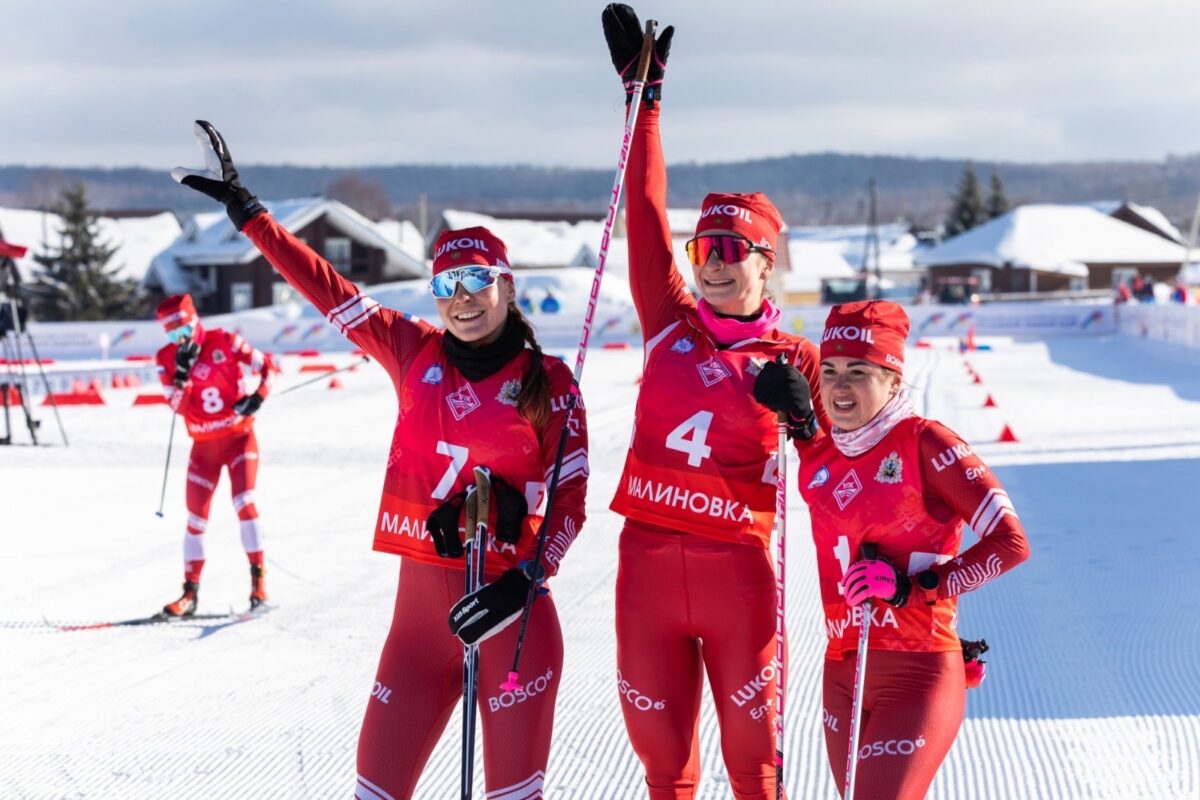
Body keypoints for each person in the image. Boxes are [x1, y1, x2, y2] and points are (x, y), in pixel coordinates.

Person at [173, 121, 589, 800]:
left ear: (507, 286)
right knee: (375, 789)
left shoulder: (550, 381)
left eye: (478, 279)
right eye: (446, 284)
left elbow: (569, 504)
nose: (462, 297)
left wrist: (528, 575)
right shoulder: (412, 350)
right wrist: (252, 217)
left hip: (513, 631)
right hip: (418, 638)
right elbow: (328, 287)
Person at [601, 7, 830, 797]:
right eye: (706, 249)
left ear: (769, 266)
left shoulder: (797, 358)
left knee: (755, 772)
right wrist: (646, 101)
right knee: (666, 772)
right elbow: (641, 212)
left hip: (740, 581)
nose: (716, 265)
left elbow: (842, 476)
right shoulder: (667, 319)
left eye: (735, 251)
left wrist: (805, 420)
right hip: (648, 573)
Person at [753, 300, 1031, 799]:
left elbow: (1011, 543)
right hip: (841, 671)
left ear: (894, 380)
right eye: (832, 371)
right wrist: (800, 419)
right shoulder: (824, 456)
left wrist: (917, 586)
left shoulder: (928, 444)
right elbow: (823, 456)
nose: (839, 387)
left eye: (859, 372)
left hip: (918, 670)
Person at [154, 293, 274, 616]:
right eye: (171, 335)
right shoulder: (165, 358)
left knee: (244, 502)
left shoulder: (224, 340)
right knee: (195, 519)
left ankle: (258, 585)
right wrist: (182, 377)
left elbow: (268, 368)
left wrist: (257, 397)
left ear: (195, 322)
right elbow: (177, 408)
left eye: (183, 331)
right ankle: (189, 593)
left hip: (239, 438)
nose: (179, 341)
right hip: (203, 449)